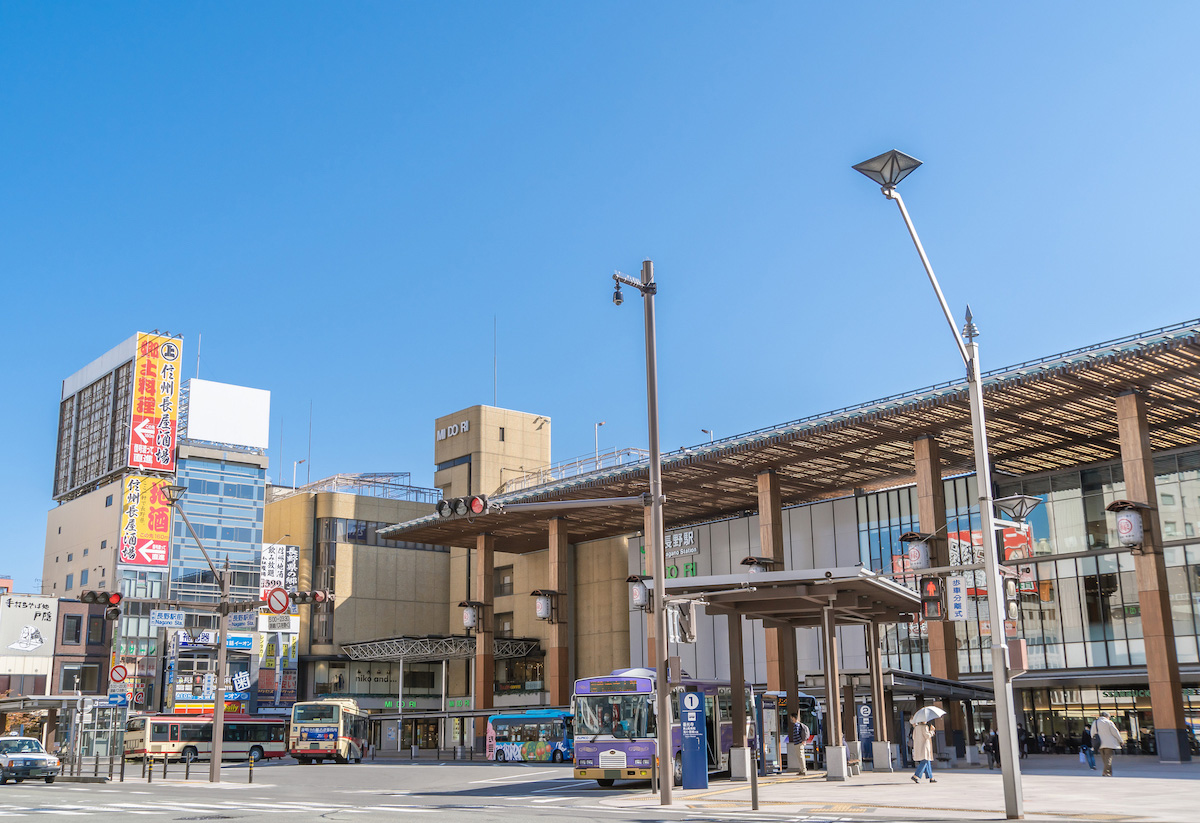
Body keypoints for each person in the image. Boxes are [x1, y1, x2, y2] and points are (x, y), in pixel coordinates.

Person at [1090, 712, 1124, 776]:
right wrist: (1121, 740)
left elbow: (1092, 733)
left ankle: (1109, 772)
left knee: (1104, 759)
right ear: (1107, 716)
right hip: (1109, 743)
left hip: (1099, 743)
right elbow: (1115, 732)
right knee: (1108, 758)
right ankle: (1105, 772)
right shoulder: (1109, 722)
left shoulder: (1095, 722)